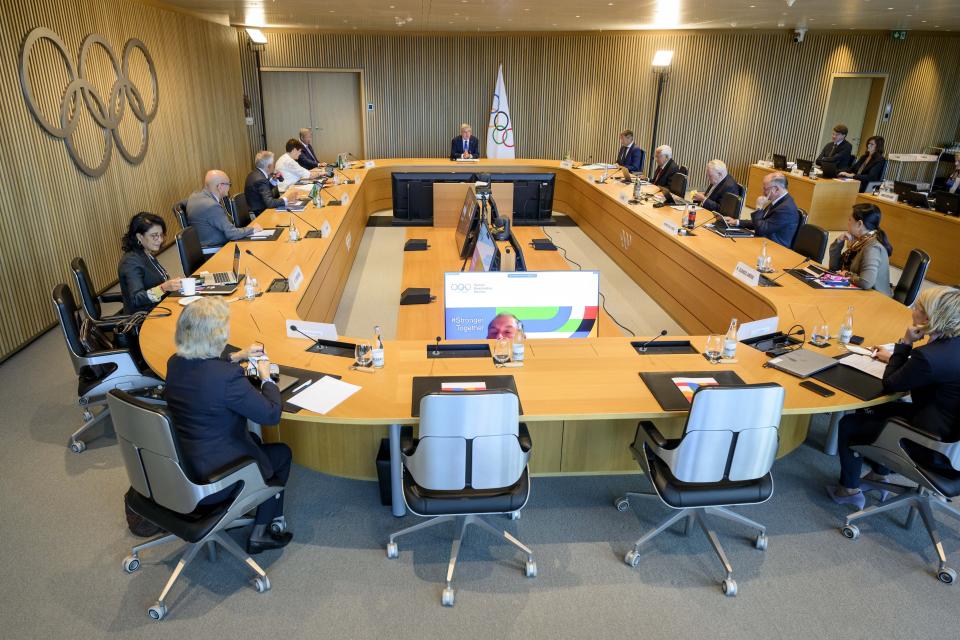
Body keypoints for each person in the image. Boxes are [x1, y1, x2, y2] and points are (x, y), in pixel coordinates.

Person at [164, 297, 294, 553]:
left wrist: (236, 356)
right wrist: (267, 379)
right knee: (281, 454)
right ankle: (262, 532)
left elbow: (203, 368)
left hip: (182, 466)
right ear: (216, 335)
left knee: (254, 442)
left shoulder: (174, 363)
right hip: (214, 478)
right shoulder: (226, 379)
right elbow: (270, 415)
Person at [827, 286, 960, 508]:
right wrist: (901, 357)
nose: (913, 310)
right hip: (949, 433)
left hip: (928, 441)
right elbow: (932, 371)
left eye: (918, 307)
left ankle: (848, 490)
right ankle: (879, 476)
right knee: (873, 411)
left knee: (850, 423)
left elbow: (890, 384)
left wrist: (905, 344)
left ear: (930, 317)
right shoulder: (949, 347)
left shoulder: (928, 357)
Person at [117, 212, 181, 314]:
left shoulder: (146, 253)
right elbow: (137, 299)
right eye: (154, 236)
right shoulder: (130, 262)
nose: (159, 240)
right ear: (139, 237)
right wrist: (163, 288)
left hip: (160, 307)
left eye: (161, 235)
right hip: (144, 318)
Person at [827, 203, 893, 294]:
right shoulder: (859, 242)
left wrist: (847, 275)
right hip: (860, 292)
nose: (848, 223)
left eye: (850, 220)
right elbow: (834, 266)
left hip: (875, 299)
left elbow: (866, 282)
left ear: (859, 224)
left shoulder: (872, 248)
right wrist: (839, 241)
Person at [186, 170, 262, 248]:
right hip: (216, 248)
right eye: (229, 184)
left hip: (202, 243)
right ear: (220, 186)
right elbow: (232, 234)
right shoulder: (212, 206)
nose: (229, 187)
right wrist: (253, 229)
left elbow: (180, 205)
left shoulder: (194, 196)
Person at [724, 172, 800, 248]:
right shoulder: (779, 201)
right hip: (764, 242)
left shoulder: (786, 209)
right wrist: (737, 222)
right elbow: (762, 222)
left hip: (774, 249)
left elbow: (761, 229)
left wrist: (759, 208)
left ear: (776, 189)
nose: (763, 192)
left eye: (765, 189)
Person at [244, 151, 288, 215]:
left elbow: (263, 190)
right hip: (260, 214)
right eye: (273, 163)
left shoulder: (255, 173)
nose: (274, 165)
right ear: (269, 166)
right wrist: (287, 199)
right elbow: (270, 203)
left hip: (260, 209)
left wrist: (273, 181)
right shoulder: (261, 179)